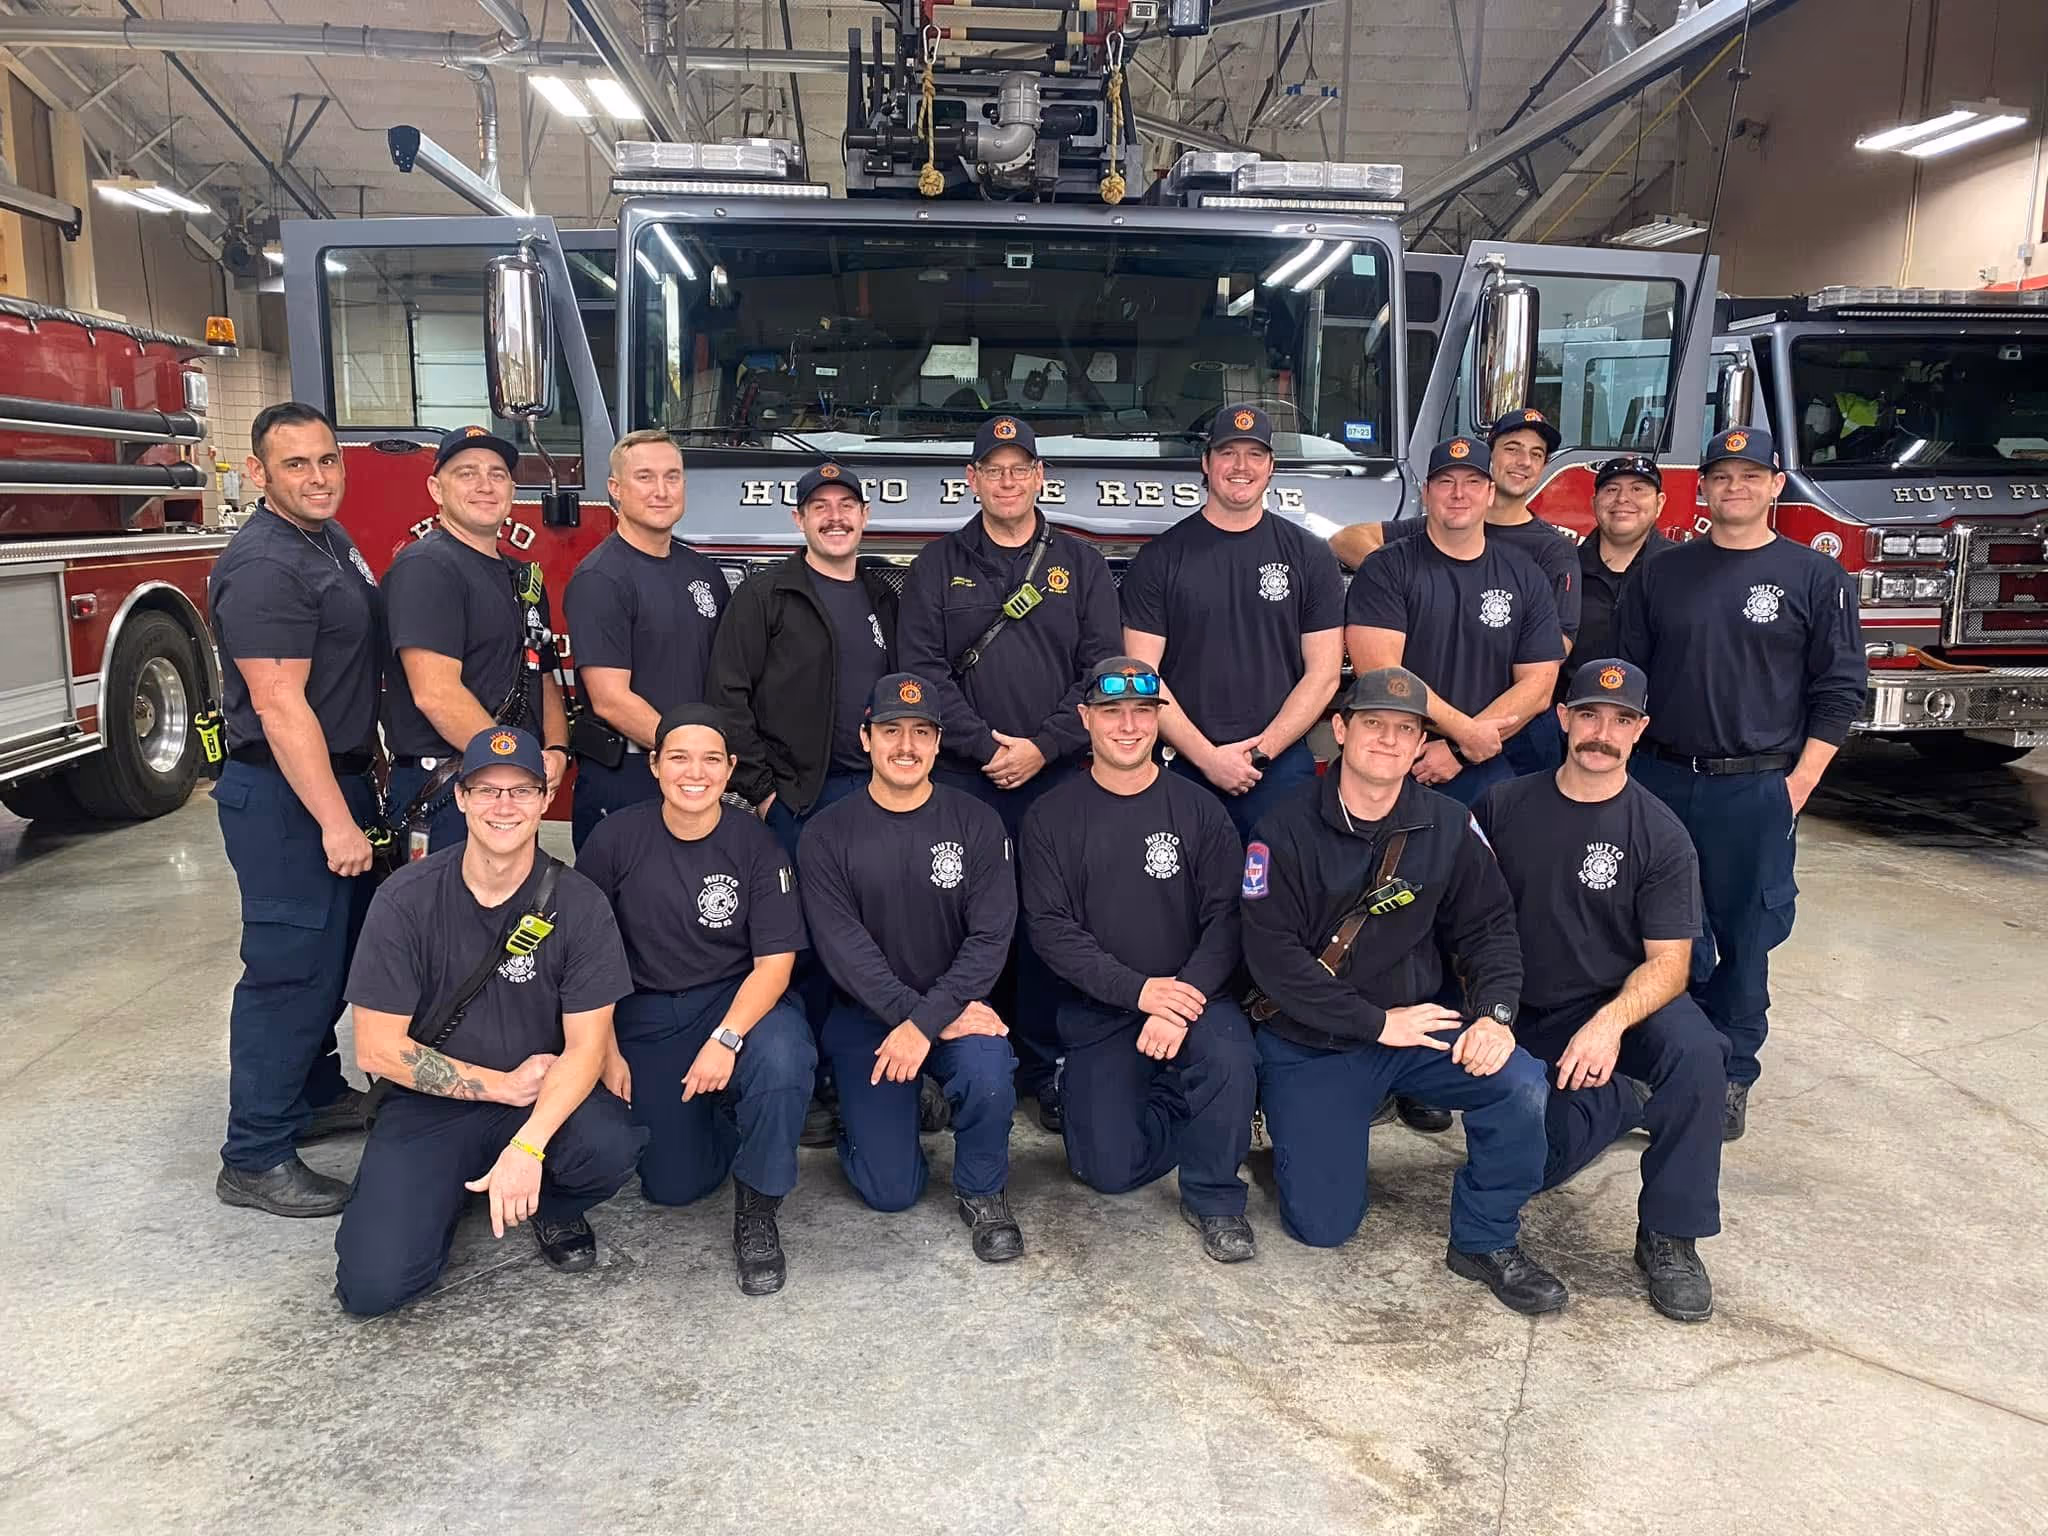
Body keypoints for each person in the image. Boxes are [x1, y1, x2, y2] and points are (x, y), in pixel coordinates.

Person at [1239, 666, 1566, 1315]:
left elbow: (1491, 929)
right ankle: (1294, 1138)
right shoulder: (1282, 830)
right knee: (1322, 1228)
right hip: (1314, 1039)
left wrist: (1495, 1015)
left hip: (1413, 1027)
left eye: (1406, 730)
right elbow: (1271, 960)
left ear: (1421, 744)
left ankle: (1484, 1238)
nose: (1388, 741)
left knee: (1520, 1084)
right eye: (1373, 724)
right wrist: (1373, 1023)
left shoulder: (1447, 825)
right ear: (1339, 730)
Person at [333, 727, 644, 1317]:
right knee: (373, 1287)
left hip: (538, 1099)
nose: (505, 806)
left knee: (611, 1145)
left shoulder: (578, 904)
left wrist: (528, 1145)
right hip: (431, 1104)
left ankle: (551, 1204)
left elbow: (586, 1046)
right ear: (461, 798)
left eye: (522, 791)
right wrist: (500, 1085)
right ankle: (449, 1191)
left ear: (546, 797)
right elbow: (375, 1049)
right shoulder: (406, 898)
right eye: (487, 790)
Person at [1617, 426, 1863, 1141]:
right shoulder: (1662, 574)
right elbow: (1630, 679)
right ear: (1704, 488)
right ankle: (1658, 1057)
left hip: (1754, 786)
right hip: (1660, 776)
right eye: (1722, 476)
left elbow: (1840, 689)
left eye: (1750, 476)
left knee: (1744, 934)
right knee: (1656, 930)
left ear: (1775, 485)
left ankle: (1730, 1072)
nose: (1735, 488)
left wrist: (1801, 782)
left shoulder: (1815, 577)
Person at [1476, 658, 1727, 1322]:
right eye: (1588, 714)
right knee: (1535, 1167)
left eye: (1620, 720)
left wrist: (1612, 1022)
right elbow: (1465, 921)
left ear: (1640, 731)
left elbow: (1670, 965)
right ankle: (1615, 1105)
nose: (1601, 733)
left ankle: (1671, 1235)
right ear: (1562, 719)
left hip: (1612, 1006)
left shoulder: (1660, 834)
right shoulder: (1503, 805)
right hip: (1521, 1010)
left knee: (1699, 1052)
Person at [897, 415, 1121, 1131]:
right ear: (971, 481)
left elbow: (1101, 670)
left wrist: (1044, 746)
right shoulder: (936, 564)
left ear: (1039, 477)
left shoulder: (1081, 565)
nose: (1006, 480)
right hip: (964, 780)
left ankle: (1045, 1064)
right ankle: (955, 1055)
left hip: (1058, 779)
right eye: (992, 469)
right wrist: (984, 744)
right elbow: (921, 671)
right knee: (955, 921)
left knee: (1052, 923)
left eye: (1019, 467)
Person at [1020, 657, 1258, 1263]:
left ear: (1159, 718)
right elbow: (1051, 931)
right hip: (1104, 1005)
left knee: (1231, 1058)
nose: (1128, 726)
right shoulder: (1050, 816)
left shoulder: (1201, 810)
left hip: (1194, 998)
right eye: (1111, 712)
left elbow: (1227, 920)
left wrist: (1177, 1000)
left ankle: (1216, 1198)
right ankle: (1179, 1104)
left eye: (1142, 713)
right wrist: (1139, 992)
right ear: (1085, 719)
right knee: (1107, 1170)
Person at [209, 402, 384, 1217]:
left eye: (327, 461)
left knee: (334, 959)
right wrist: (335, 821)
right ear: (259, 474)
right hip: (285, 796)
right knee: (288, 971)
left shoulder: (329, 541)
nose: (318, 478)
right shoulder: (266, 565)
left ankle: (314, 1094)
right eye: (296, 465)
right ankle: (255, 1153)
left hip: (332, 779)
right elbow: (279, 706)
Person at [576, 705, 815, 1296]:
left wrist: (726, 1039)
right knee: (672, 1186)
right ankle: (731, 1122)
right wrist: (602, 1047)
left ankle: (758, 1206)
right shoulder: (614, 839)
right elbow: (583, 957)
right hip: (648, 1013)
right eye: (678, 757)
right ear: (655, 765)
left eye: (711, 759)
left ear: (731, 768)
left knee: (783, 1057)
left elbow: (775, 964)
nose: (695, 772)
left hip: (736, 1005)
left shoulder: (756, 845)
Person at [797, 673, 1023, 1262]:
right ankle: (865, 1114)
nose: (906, 745)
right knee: (890, 1193)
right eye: (891, 730)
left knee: (990, 1071)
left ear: (939, 741)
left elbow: (991, 937)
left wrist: (927, 1022)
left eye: (921, 732)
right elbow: (842, 947)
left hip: (955, 1010)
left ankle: (982, 1190)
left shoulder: (976, 822)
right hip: (868, 1018)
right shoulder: (826, 832)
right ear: (865, 738)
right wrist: (913, 1018)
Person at [707, 461, 898, 1140]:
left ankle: (866, 1077)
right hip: (800, 801)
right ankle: (807, 1082)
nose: (836, 516)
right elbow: (728, 695)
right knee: (803, 947)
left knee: (874, 941)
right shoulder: (765, 595)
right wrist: (759, 791)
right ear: (798, 520)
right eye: (821, 507)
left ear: (865, 516)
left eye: (848, 504)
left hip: (875, 799)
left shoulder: (884, 594)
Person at [1120, 405, 1345, 843]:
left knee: (1281, 901)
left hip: (1278, 770)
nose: (1241, 467)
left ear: (1271, 467)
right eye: (1227, 453)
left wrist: (1260, 754)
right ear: (1206, 464)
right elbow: (1142, 674)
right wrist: (1207, 758)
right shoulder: (1160, 559)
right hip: (1180, 765)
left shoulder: (1309, 556)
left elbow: (1324, 674)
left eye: (1255, 455)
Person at [1330, 410, 1580, 781]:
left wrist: (1463, 746)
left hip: (1495, 752)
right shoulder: (1393, 561)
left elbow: (1540, 682)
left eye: (1472, 483)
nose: (1459, 493)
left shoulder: (1534, 566)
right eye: (1446, 481)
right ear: (1426, 493)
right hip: (1403, 754)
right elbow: (1381, 672)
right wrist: (1395, 582)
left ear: (1489, 490)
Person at [383, 426, 570, 851]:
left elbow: (540, 676)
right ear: (436, 488)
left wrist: (556, 751)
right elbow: (436, 693)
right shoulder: (428, 568)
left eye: (497, 474)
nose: (485, 485)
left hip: (505, 786)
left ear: (512, 489)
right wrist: (511, 765)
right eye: (466, 473)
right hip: (448, 789)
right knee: (444, 917)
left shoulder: (523, 576)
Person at [561, 430, 728, 850]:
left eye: (672, 477)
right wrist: (689, 759)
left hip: (692, 779)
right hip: (628, 779)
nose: (661, 491)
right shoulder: (601, 578)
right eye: (645, 477)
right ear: (615, 490)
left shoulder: (704, 573)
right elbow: (610, 699)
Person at [1564, 455, 1675, 698]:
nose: (1623, 499)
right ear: (1594, 502)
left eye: (1638, 489)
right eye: (1611, 489)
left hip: (1656, 728)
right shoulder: (1564, 570)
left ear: (1660, 503)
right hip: (1570, 725)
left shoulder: (1681, 572)